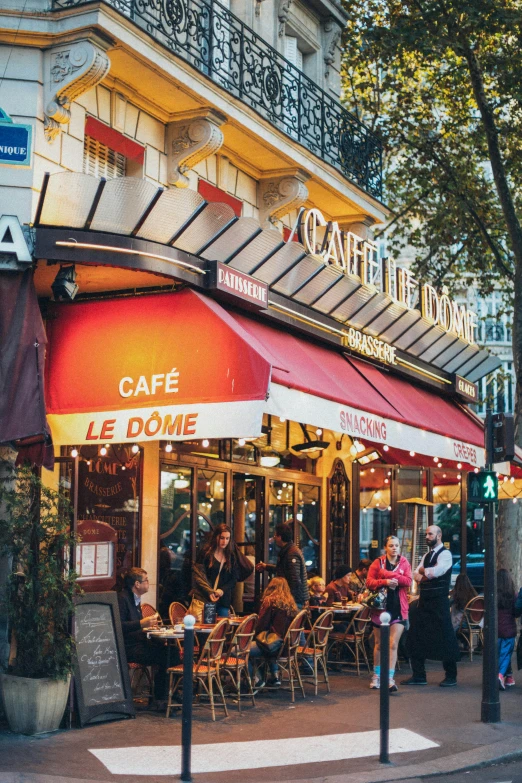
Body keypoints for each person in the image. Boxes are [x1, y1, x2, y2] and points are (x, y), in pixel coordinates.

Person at [403, 525, 460, 687]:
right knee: (415, 637)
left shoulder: (446, 554)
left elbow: (437, 572)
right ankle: (419, 676)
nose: (427, 536)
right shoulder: (427, 555)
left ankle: (451, 676)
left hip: (439, 603)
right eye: (426, 534)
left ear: (439, 536)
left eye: (430, 534)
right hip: (424, 602)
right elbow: (415, 575)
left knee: (445, 638)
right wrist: (424, 573)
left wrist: (423, 572)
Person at [117, 567, 174, 705]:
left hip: (140, 643)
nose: (148, 583)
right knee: (166, 656)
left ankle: (165, 695)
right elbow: (120, 625)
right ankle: (161, 698)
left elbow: (138, 625)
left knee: (172, 652)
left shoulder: (135, 599)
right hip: (130, 648)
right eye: (146, 580)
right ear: (137, 584)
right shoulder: (123, 599)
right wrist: (141, 623)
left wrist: (149, 627)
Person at [366, 536, 412, 691]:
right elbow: (369, 582)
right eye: (391, 545)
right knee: (379, 644)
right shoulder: (377, 563)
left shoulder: (404, 562)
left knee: (393, 644)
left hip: (398, 608)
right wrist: (384, 582)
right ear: (385, 547)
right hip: (380, 609)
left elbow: (408, 581)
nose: (394, 548)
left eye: (397, 545)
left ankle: (389, 679)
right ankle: (377, 676)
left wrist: (389, 574)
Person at [248, 577, 297, 688]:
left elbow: (261, 625)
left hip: (274, 646)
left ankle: (256, 680)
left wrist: (253, 632)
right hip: (288, 647)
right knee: (267, 644)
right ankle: (275, 677)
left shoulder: (270, 601)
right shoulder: (291, 603)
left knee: (238, 651)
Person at [256, 523, 309, 608]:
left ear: (280, 537)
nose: (274, 538)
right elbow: (283, 569)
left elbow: (294, 579)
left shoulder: (291, 553)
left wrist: (289, 598)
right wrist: (266, 566)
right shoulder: (289, 550)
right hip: (295, 599)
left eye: (275, 536)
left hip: (294, 600)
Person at [192, 523, 239, 618]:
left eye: (227, 538)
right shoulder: (206, 553)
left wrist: (222, 590)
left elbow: (234, 579)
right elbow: (198, 575)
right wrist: (209, 592)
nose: (224, 541)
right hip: (206, 599)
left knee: (222, 628)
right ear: (216, 537)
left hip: (223, 600)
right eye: (222, 538)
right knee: (207, 629)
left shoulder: (231, 556)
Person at [497, 568, 518, 690]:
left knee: (500, 653)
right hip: (509, 629)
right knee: (506, 654)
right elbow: (516, 612)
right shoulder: (513, 596)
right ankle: (500, 676)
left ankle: (509, 677)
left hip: (496, 630)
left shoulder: (493, 595)